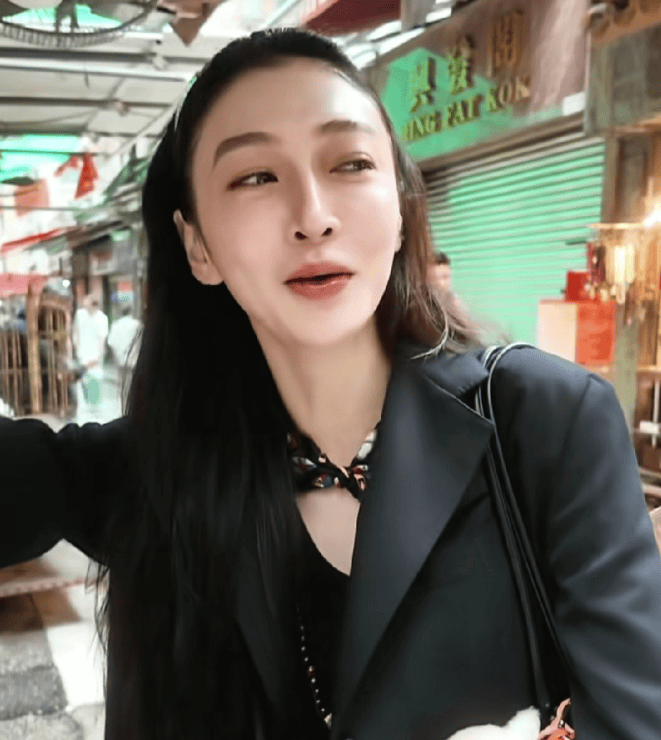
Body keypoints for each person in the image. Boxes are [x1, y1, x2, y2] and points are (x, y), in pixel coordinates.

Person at [1, 28, 661, 740]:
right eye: (255, 176)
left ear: (400, 209)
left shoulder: (545, 424)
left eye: (349, 163)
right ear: (198, 246)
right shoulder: (154, 470)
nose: (313, 216)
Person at [72, 294, 108, 417]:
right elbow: (76, 332)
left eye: (87, 302)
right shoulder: (80, 315)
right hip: (82, 353)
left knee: (95, 378)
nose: (85, 305)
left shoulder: (102, 318)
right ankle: (88, 403)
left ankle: (94, 405)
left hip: (94, 354)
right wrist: (76, 346)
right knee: (84, 379)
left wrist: (99, 355)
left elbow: (102, 338)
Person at [107, 305, 142, 394]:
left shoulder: (115, 325)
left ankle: (121, 396)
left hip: (119, 357)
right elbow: (141, 340)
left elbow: (111, 342)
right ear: (131, 312)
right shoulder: (137, 324)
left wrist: (115, 355)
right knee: (132, 378)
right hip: (133, 357)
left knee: (121, 380)